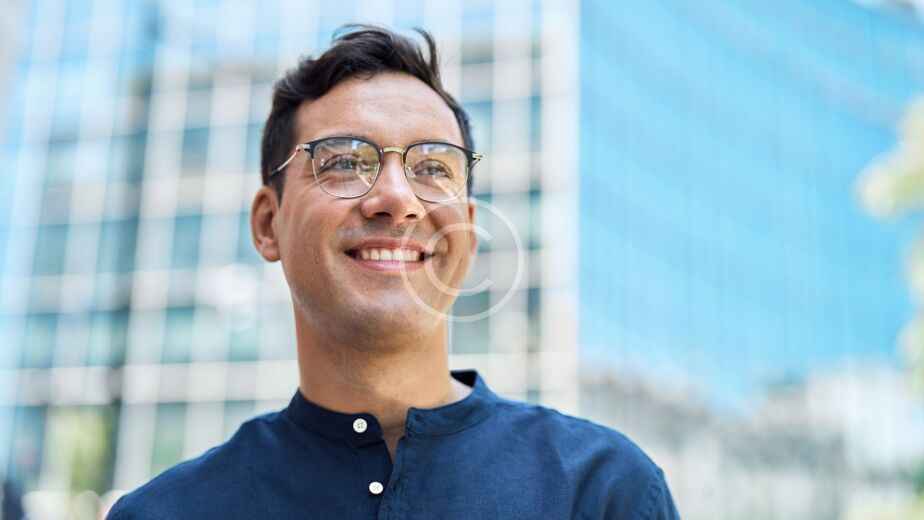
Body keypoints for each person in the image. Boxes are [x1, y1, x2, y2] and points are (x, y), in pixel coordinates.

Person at [107, 25, 680, 519]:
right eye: (343, 162)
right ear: (267, 224)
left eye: (432, 167)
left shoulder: (605, 492)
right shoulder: (167, 511)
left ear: (467, 232)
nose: (395, 198)